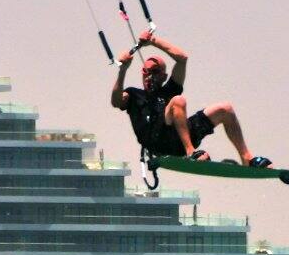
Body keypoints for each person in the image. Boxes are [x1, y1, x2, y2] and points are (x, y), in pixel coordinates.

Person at [111, 30, 271, 166]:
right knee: (178, 101)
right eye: (146, 72)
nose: (149, 76)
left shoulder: (170, 89)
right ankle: (191, 152)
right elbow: (116, 101)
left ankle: (246, 158)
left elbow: (182, 58)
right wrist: (123, 70)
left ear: (164, 76)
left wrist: (153, 40)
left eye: (155, 72)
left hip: (178, 138)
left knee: (225, 109)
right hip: (157, 142)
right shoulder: (134, 94)